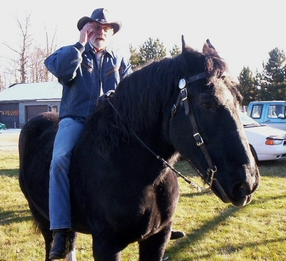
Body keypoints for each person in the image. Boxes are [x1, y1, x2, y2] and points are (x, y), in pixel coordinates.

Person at [45, 7, 184, 259]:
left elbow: (134, 92)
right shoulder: (72, 53)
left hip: (112, 123)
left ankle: (160, 220)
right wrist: (79, 44)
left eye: (105, 29)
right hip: (77, 120)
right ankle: (61, 229)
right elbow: (63, 71)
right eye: (95, 27)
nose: (100, 32)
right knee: (60, 160)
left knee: (154, 157)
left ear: (111, 33)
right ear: (86, 29)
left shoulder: (118, 59)